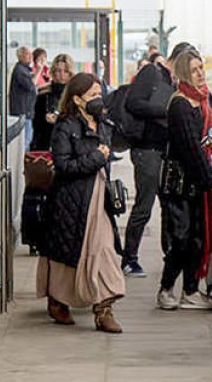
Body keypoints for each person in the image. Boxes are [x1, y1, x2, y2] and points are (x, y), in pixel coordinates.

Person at [36, 72, 125, 332]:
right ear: (77, 99)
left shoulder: (104, 123)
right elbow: (63, 165)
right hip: (72, 200)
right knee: (68, 254)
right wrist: (96, 157)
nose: (98, 99)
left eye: (100, 93)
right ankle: (58, 300)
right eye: (92, 95)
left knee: (105, 249)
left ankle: (104, 308)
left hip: (99, 198)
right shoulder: (65, 126)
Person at [156, 47, 212, 311]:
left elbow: (208, 142)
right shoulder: (180, 105)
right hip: (180, 183)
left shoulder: (205, 100)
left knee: (198, 237)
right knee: (182, 238)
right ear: (184, 73)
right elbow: (191, 148)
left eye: (202, 68)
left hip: (197, 180)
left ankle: (189, 290)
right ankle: (166, 288)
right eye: (194, 70)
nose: (200, 74)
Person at [120, 45, 186, 277]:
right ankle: (129, 258)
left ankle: (170, 258)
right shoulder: (152, 73)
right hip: (146, 149)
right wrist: (165, 110)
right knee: (144, 206)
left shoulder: (175, 82)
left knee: (169, 207)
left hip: (165, 150)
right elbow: (133, 103)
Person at [31, 56, 72, 152]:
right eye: (58, 71)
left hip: (70, 143)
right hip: (47, 142)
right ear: (53, 72)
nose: (61, 75)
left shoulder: (76, 94)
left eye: (65, 71)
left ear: (70, 73)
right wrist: (45, 119)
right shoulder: (44, 94)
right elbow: (36, 124)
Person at [10, 47, 38, 151]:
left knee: (27, 138)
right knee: (25, 140)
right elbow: (30, 86)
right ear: (20, 56)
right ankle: (22, 164)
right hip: (23, 112)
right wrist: (39, 69)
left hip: (25, 111)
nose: (31, 57)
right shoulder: (20, 70)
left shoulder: (24, 70)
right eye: (27, 54)